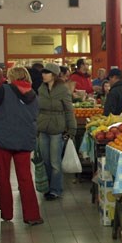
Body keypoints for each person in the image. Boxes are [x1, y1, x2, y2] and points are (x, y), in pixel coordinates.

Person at [0, 66, 42, 226]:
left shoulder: (4, 90)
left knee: (3, 177)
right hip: (25, 139)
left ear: (11, 77)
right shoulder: (33, 94)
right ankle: (32, 215)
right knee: (25, 177)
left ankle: (6, 213)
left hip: (3, 139)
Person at [37, 63, 76, 200]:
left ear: (53, 75)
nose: (43, 75)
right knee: (45, 160)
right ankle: (47, 187)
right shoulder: (41, 89)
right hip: (43, 127)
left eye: (46, 72)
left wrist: (72, 128)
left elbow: (69, 110)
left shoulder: (63, 90)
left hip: (57, 128)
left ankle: (55, 189)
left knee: (55, 162)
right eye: (43, 72)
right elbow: (37, 108)